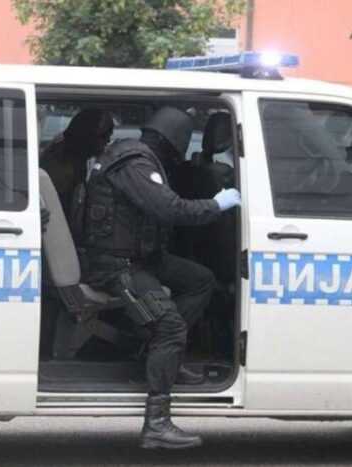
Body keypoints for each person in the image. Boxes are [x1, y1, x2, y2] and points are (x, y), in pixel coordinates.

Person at [79, 107, 241, 449]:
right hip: (117, 266)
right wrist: (217, 205)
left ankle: (167, 358)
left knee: (200, 280)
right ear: (172, 143)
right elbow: (171, 209)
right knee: (170, 327)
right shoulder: (135, 164)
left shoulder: (135, 156)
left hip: (141, 259)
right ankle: (156, 424)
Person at [40, 109, 115, 216]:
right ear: (88, 136)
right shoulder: (60, 162)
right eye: (104, 136)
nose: (108, 141)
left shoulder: (79, 158)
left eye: (109, 136)